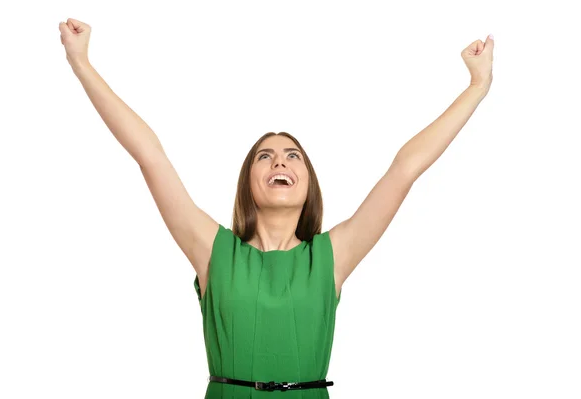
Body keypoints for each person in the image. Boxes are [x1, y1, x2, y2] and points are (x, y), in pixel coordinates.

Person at [59, 18, 494, 398]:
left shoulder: (332, 256)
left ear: (309, 185)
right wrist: (82, 63)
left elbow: (404, 169)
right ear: (248, 182)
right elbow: (149, 154)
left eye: (293, 155)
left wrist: (476, 87)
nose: (280, 161)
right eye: (264, 156)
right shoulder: (213, 251)